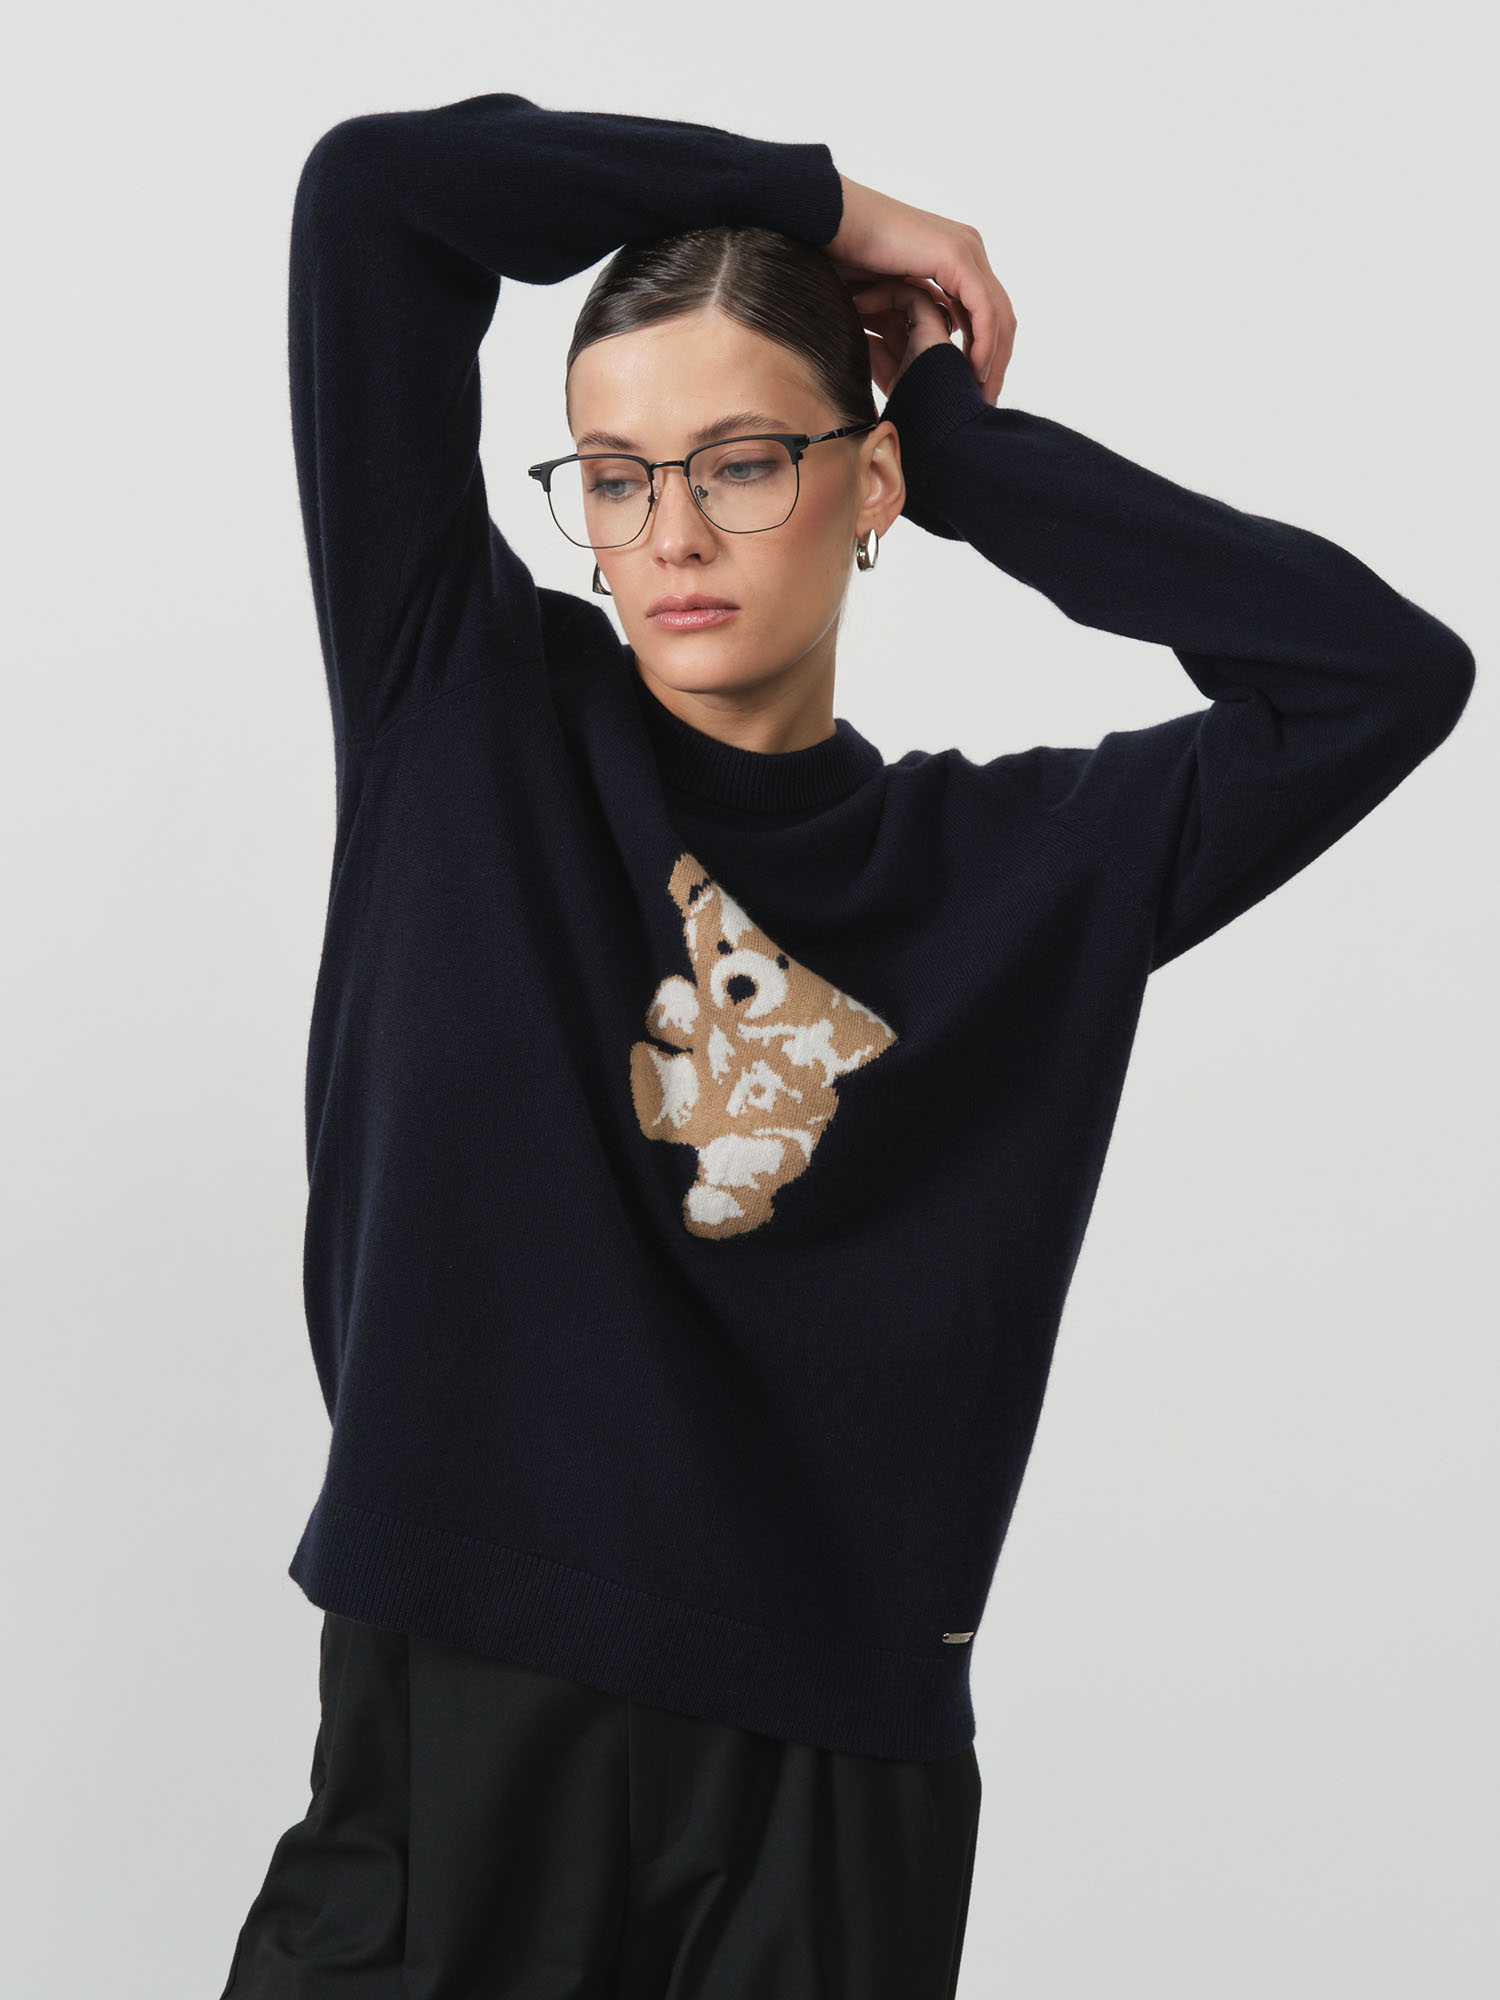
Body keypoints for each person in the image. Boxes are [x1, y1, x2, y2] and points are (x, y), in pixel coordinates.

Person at [217, 90, 1474, 1999]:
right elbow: (381, 194)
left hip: (826, 1796)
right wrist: (822, 204)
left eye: (743, 464)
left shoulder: (1021, 874)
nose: (670, 535)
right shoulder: (458, 710)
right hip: (457, 1729)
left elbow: (1380, 678)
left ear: (866, 485)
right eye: (615, 478)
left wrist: (961, 444)